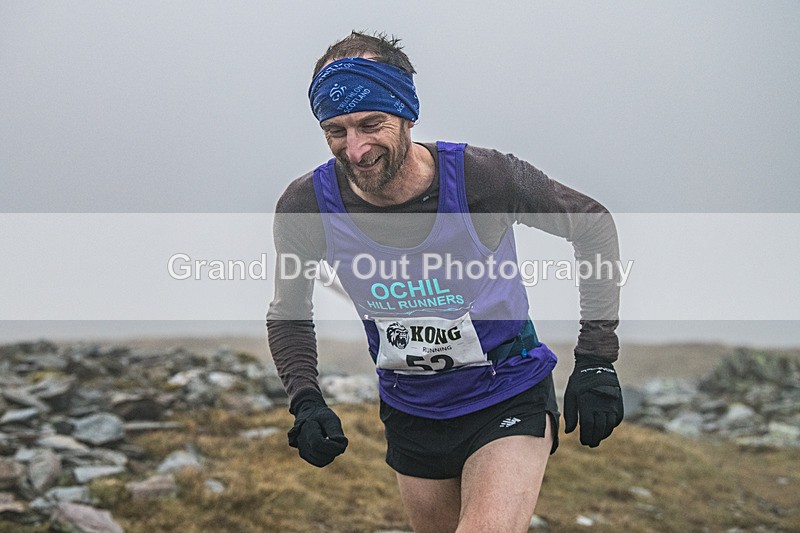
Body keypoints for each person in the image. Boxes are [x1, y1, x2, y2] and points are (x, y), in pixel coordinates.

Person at [267, 31, 624, 533]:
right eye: (336, 131)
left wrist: (595, 362)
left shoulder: (483, 180)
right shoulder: (307, 206)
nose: (356, 148)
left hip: (507, 393)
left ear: (407, 113)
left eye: (372, 124)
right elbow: (288, 310)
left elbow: (593, 224)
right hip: (411, 410)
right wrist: (305, 401)